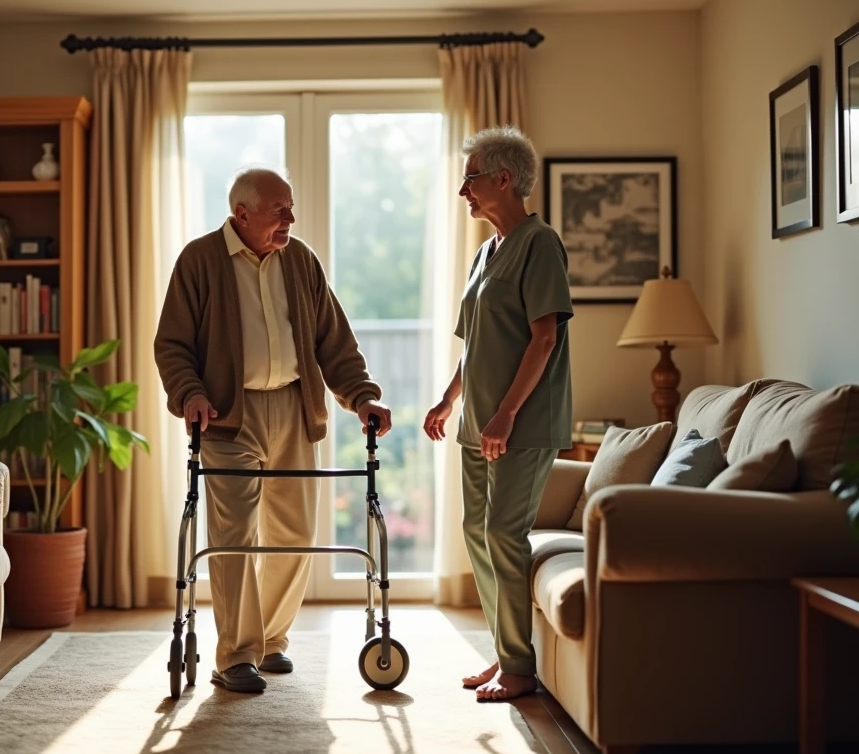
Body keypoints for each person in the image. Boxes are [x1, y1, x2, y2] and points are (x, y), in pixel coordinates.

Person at [154, 167, 392, 693]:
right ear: (242, 214)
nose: (290, 218)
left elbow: (333, 340)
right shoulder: (200, 260)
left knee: (295, 534)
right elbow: (171, 345)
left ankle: (270, 642)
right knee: (235, 535)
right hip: (226, 416)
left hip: (292, 408)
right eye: (278, 209)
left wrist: (363, 396)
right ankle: (235, 655)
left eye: (290, 208)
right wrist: (189, 393)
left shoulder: (300, 259)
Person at [423, 126, 573, 702]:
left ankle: (518, 667)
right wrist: (449, 398)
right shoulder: (487, 251)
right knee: (475, 533)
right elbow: (477, 344)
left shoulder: (540, 243)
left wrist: (507, 414)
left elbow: (543, 340)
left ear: (503, 180)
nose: (464, 190)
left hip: (522, 422)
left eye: (471, 178)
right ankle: (507, 651)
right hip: (479, 421)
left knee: (503, 533)